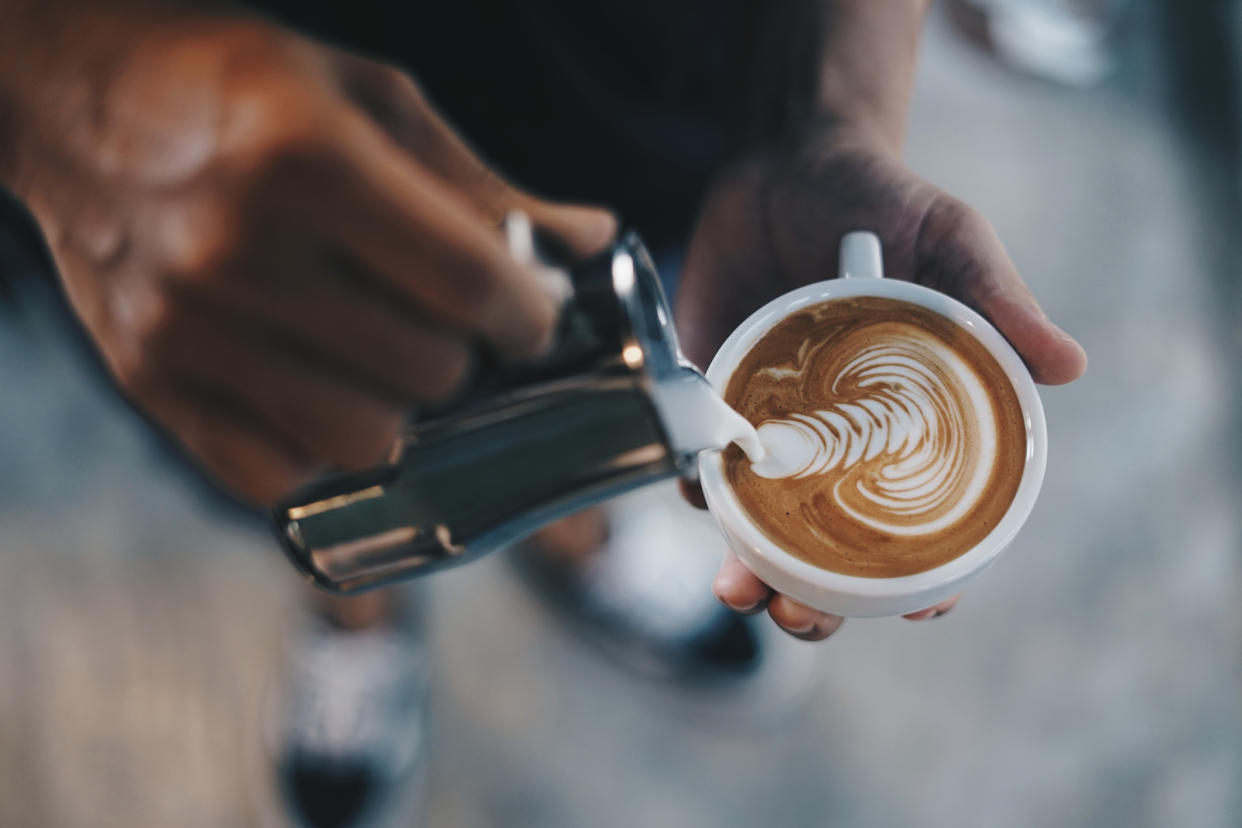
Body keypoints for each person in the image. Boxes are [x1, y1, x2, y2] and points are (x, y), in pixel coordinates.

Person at [0, 0, 1087, 824]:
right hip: (211, 137)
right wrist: (47, 83)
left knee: (626, 361)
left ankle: (579, 523)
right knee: (310, 424)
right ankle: (357, 604)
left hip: (657, 76)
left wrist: (818, 113)